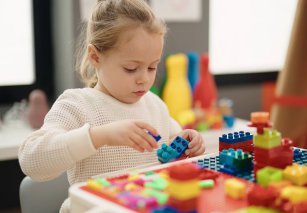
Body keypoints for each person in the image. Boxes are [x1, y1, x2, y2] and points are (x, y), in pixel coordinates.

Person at [18, 0, 205, 212]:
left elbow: (174, 143)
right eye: (131, 68)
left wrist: (190, 142)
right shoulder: (76, 105)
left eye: (152, 67)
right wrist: (98, 136)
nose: (144, 79)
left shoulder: (155, 105)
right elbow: (31, 160)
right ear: (95, 56)